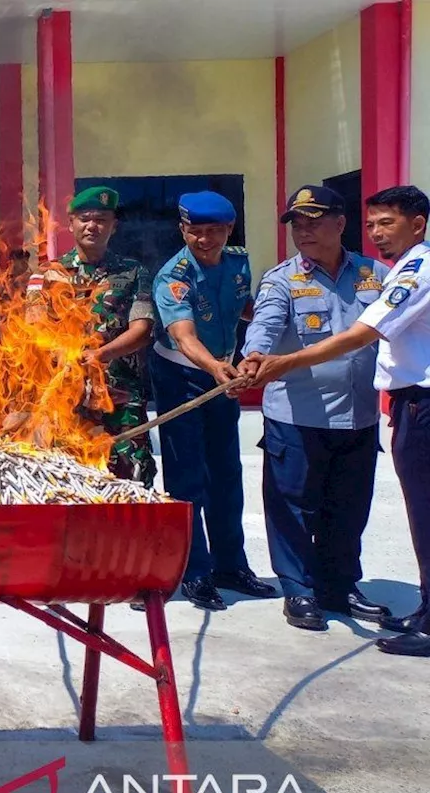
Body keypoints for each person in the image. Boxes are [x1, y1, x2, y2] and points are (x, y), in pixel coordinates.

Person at [246, 185, 430, 656]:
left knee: (348, 508)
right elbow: (264, 327)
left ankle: (340, 586)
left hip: (358, 416)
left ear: (340, 224)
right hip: (298, 413)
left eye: (314, 220)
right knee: (292, 505)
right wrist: (254, 358)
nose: (303, 231)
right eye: (296, 224)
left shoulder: (379, 274)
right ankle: (299, 590)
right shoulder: (282, 280)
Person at [151, 191, 276, 611]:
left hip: (223, 375)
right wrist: (216, 368)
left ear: (229, 230)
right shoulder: (174, 275)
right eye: (195, 232)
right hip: (182, 376)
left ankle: (231, 565)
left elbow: (240, 305)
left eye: (214, 232)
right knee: (188, 478)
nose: (204, 240)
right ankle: (194, 571)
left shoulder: (238, 259)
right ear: (182, 230)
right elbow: (184, 335)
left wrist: (270, 327)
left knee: (226, 473)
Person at [38, 186, 156, 486]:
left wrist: (101, 355)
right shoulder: (47, 276)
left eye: (102, 219)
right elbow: (33, 329)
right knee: (66, 480)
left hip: (119, 397)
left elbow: (141, 330)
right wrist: (65, 353)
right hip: (66, 397)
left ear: (113, 226)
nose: (93, 226)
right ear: (71, 224)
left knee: (130, 478)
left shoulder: (133, 273)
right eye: (85, 218)